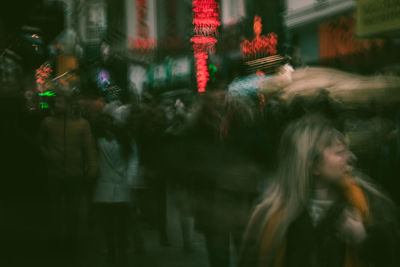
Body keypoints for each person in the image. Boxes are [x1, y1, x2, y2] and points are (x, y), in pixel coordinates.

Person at [238, 114, 400, 267]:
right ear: (314, 165)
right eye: (339, 153)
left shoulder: (369, 204)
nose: (351, 158)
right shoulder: (269, 215)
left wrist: (363, 241)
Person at [37, 92, 97, 263]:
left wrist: (92, 166)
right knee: (56, 209)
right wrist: (48, 154)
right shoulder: (47, 122)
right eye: (55, 102)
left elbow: (88, 147)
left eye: (60, 102)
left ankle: (71, 240)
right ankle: (59, 239)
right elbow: (40, 141)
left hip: (75, 173)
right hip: (55, 173)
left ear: (69, 105)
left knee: (73, 210)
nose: (57, 105)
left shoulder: (82, 124)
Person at [92, 114, 134, 264]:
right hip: (107, 185)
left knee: (120, 223)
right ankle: (113, 250)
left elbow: (132, 159)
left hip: (119, 184)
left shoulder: (123, 140)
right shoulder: (99, 141)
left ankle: (120, 250)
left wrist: (129, 179)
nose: (108, 130)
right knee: (109, 223)